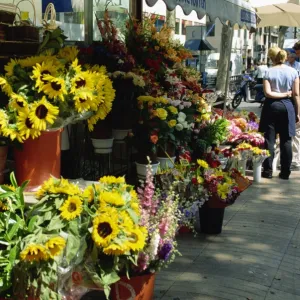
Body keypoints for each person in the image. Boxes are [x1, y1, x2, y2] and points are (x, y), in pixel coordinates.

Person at [259, 47, 300, 180]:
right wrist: (298, 112)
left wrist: (279, 94)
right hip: (287, 106)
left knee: (269, 139)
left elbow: (267, 93)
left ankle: (268, 170)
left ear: (273, 58)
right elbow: (296, 94)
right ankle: (285, 172)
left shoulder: (268, 72)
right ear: (285, 58)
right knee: (286, 140)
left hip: (271, 106)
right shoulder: (293, 72)